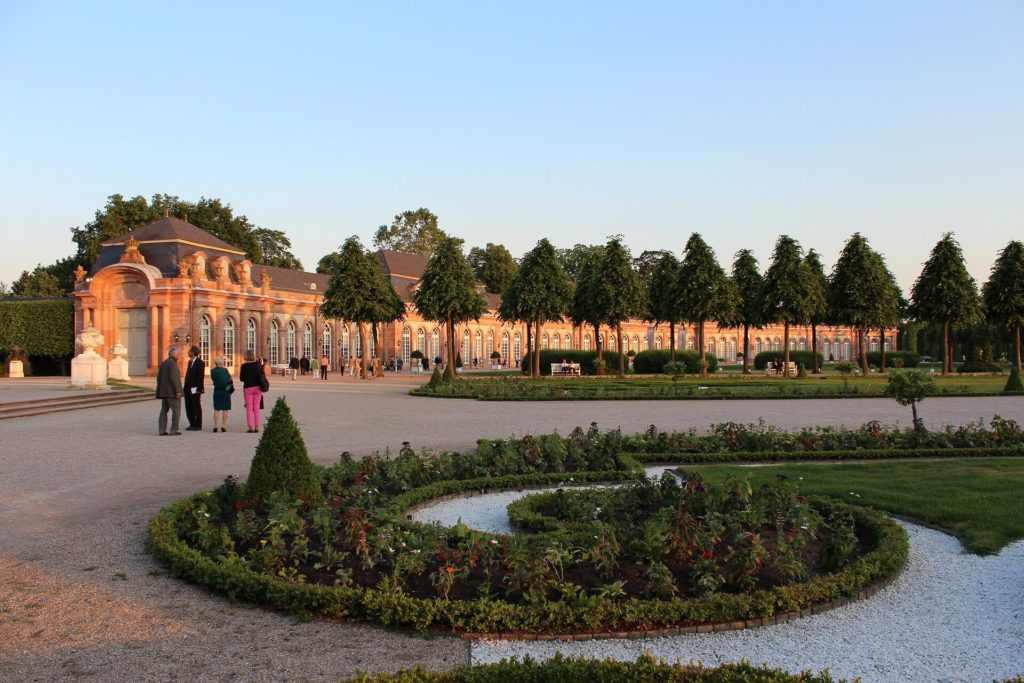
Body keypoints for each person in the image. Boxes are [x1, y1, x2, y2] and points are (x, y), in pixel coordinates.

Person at [156, 346, 183, 436]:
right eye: (178, 354)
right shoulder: (173, 364)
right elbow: (174, 378)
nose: (179, 355)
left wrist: (161, 389)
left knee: (164, 410)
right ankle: (174, 429)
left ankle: (162, 430)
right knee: (176, 411)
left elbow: (158, 377)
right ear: (173, 354)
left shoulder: (164, 363)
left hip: (164, 392)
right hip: (172, 392)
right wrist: (178, 391)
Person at [240, 349, 264, 433]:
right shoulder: (258, 365)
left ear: (246, 356)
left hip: (248, 388)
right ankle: (257, 427)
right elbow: (262, 375)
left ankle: (250, 427)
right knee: (256, 407)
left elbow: (241, 379)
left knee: (249, 408)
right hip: (258, 388)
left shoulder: (243, 366)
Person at [183, 345, 205, 431]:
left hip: (195, 388)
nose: (188, 352)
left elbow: (200, 377)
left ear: (193, 353)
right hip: (188, 388)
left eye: (189, 351)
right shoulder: (189, 362)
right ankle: (192, 423)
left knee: (196, 406)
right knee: (188, 406)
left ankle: (198, 424)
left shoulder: (200, 363)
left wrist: (199, 389)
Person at [210, 356, 233, 432]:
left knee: (216, 409)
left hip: (217, 390)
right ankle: (223, 425)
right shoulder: (225, 370)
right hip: (225, 391)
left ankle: (215, 425)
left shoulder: (212, 371)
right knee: (225, 409)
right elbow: (230, 379)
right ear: (221, 362)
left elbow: (213, 379)